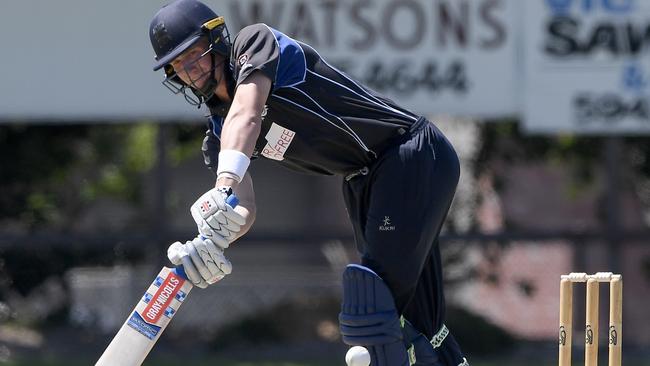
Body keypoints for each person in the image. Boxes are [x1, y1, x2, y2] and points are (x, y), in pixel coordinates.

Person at [149, 0, 468, 365]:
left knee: (372, 311)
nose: (191, 70)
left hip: (408, 152)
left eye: (194, 55)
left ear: (217, 39)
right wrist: (211, 243)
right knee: (419, 323)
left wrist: (223, 185)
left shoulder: (255, 44)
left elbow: (247, 114)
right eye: (179, 66)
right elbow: (244, 207)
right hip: (363, 180)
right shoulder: (219, 136)